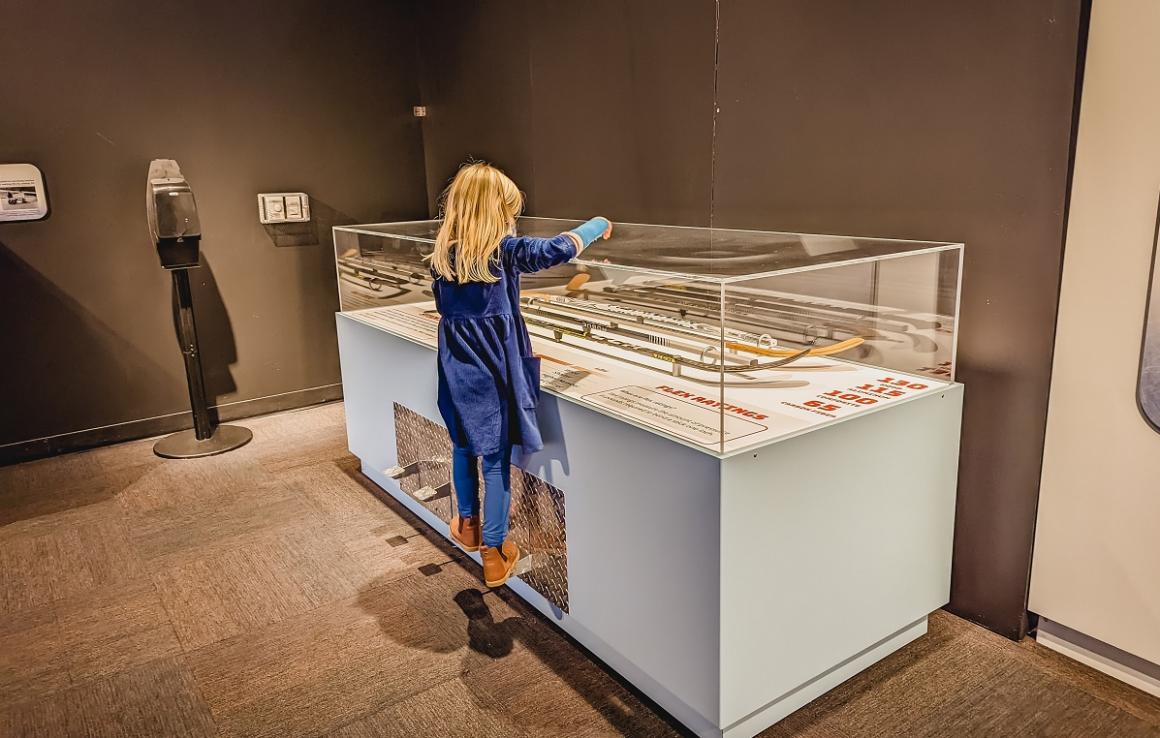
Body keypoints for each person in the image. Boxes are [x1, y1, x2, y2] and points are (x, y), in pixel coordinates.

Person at [428, 162, 612, 588]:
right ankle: (494, 552)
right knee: (494, 458)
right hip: (494, 367)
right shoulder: (504, 252)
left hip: (454, 365)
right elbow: (557, 250)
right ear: (496, 211)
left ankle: (468, 526)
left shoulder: (442, 256)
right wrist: (596, 225)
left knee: (461, 444)